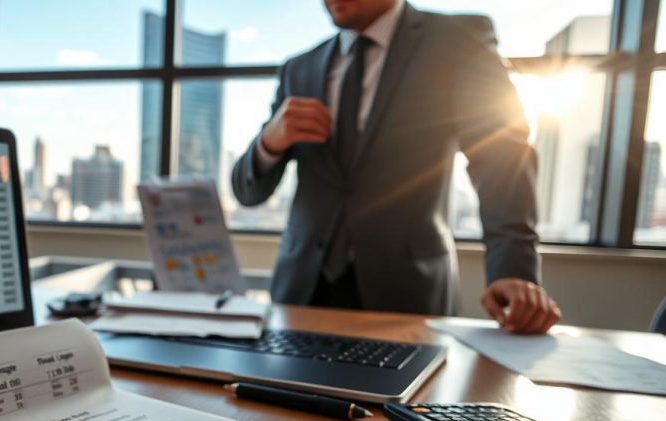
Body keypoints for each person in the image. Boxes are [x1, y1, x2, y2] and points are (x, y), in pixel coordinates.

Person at [231, 0, 562, 334]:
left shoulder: (458, 40)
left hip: (407, 292)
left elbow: (501, 155)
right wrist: (268, 143)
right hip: (300, 294)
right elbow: (246, 192)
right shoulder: (298, 69)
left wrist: (513, 269)